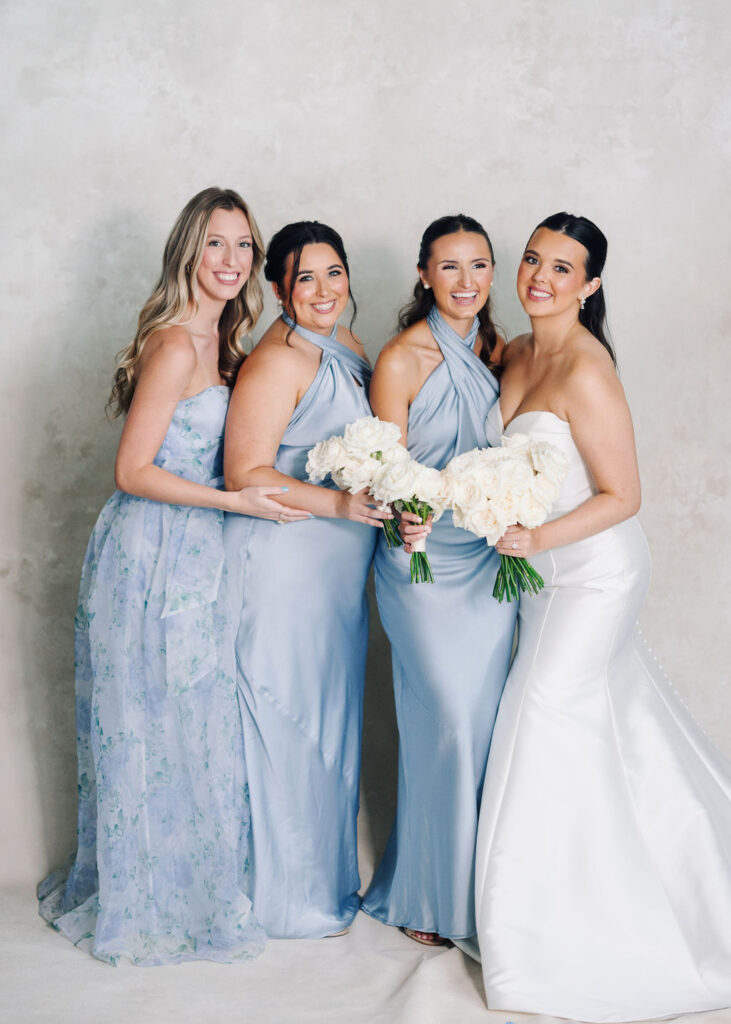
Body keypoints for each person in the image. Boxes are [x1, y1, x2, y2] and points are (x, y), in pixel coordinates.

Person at [37, 187, 309, 965]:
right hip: (151, 550)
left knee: (192, 721)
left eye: (244, 247)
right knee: (151, 718)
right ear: (188, 251)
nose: (230, 262)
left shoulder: (226, 343)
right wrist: (232, 500)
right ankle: (151, 897)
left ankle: (191, 886)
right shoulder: (174, 345)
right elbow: (131, 470)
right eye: (215, 244)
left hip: (200, 553)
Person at [471, 212, 731, 1019]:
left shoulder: (586, 370)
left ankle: (563, 932)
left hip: (594, 573)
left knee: (542, 718)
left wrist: (535, 534)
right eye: (531, 260)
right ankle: (678, 883)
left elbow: (626, 496)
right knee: (617, 728)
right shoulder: (514, 352)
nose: (540, 277)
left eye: (562, 268)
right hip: (534, 579)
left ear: (589, 286)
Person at [222, 221, 387, 938]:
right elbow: (245, 472)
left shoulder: (348, 346)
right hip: (286, 564)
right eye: (304, 278)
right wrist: (341, 503)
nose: (323, 291)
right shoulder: (277, 361)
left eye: (333, 273)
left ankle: (324, 882)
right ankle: (279, 898)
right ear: (279, 288)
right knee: (286, 718)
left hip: (338, 572)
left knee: (330, 722)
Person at [361, 215, 517, 945]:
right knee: (445, 720)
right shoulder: (400, 358)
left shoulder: (499, 349)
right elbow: (381, 468)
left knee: (486, 728)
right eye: (448, 267)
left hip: (486, 560)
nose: (465, 282)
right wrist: (403, 518)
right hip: (419, 562)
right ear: (423, 274)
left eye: (478, 266)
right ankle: (427, 898)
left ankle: (481, 890)